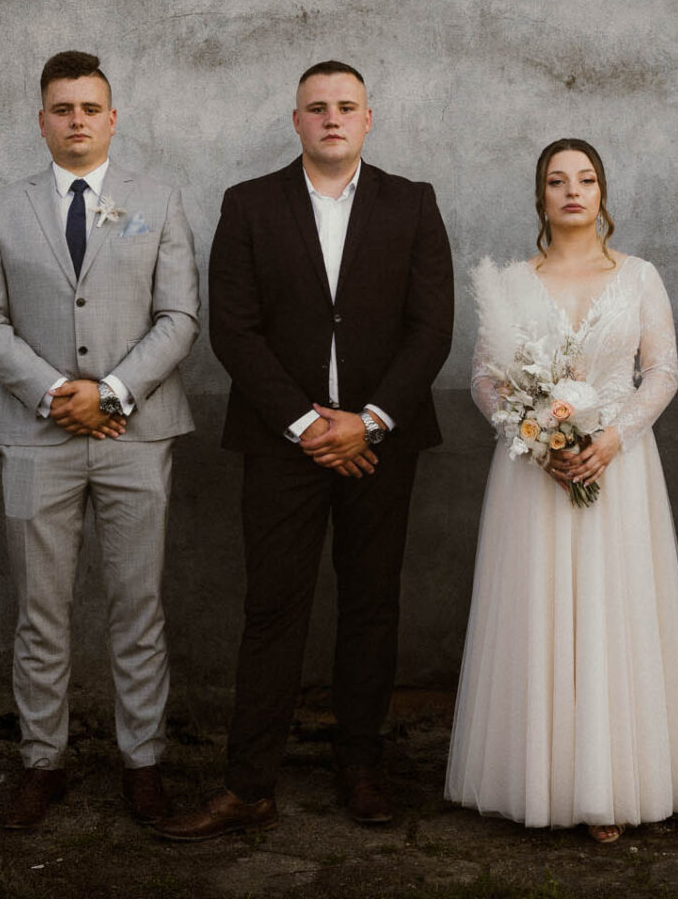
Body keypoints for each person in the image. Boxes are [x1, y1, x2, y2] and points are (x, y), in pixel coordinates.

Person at [156, 61, 453, 842]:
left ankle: (362, 767)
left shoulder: (411, 203)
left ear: (368, 119)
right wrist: (308, 425)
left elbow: (432, 327)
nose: (331, 118)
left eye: (346, 106)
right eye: (316, 107)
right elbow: (234, 329)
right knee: (272, 610)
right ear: (296, 121)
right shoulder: (250, 204)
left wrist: (370, 422)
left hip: (381, 445)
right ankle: (248, 784)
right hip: (281, 444)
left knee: (371, 606)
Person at [446, 138, 678, 843]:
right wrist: (532, 435)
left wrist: (613, 438)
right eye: (557, 180)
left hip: (617, 468)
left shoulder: (639, 276)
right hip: (533, 473)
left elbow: (663, 371)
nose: (572, 191)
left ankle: (610, 787)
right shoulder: (511, 281)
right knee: (535, 613)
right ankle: (538, 782)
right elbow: (483, 377)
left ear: (602, 193)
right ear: (540, 196)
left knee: (613, 613)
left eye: (586, 179)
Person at [0, 50, 200, 830]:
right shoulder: (3, 208)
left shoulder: (157, 202)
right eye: (62, 108)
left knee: (138, 605)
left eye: (90, 108)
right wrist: (53, 394)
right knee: (41, 611)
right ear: (41, 120)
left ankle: (144, 763)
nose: (77, 120)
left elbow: (179, 317)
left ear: (112, 118)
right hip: (37, 436)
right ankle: (43, 762)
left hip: (138, 432)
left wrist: (113, 393)